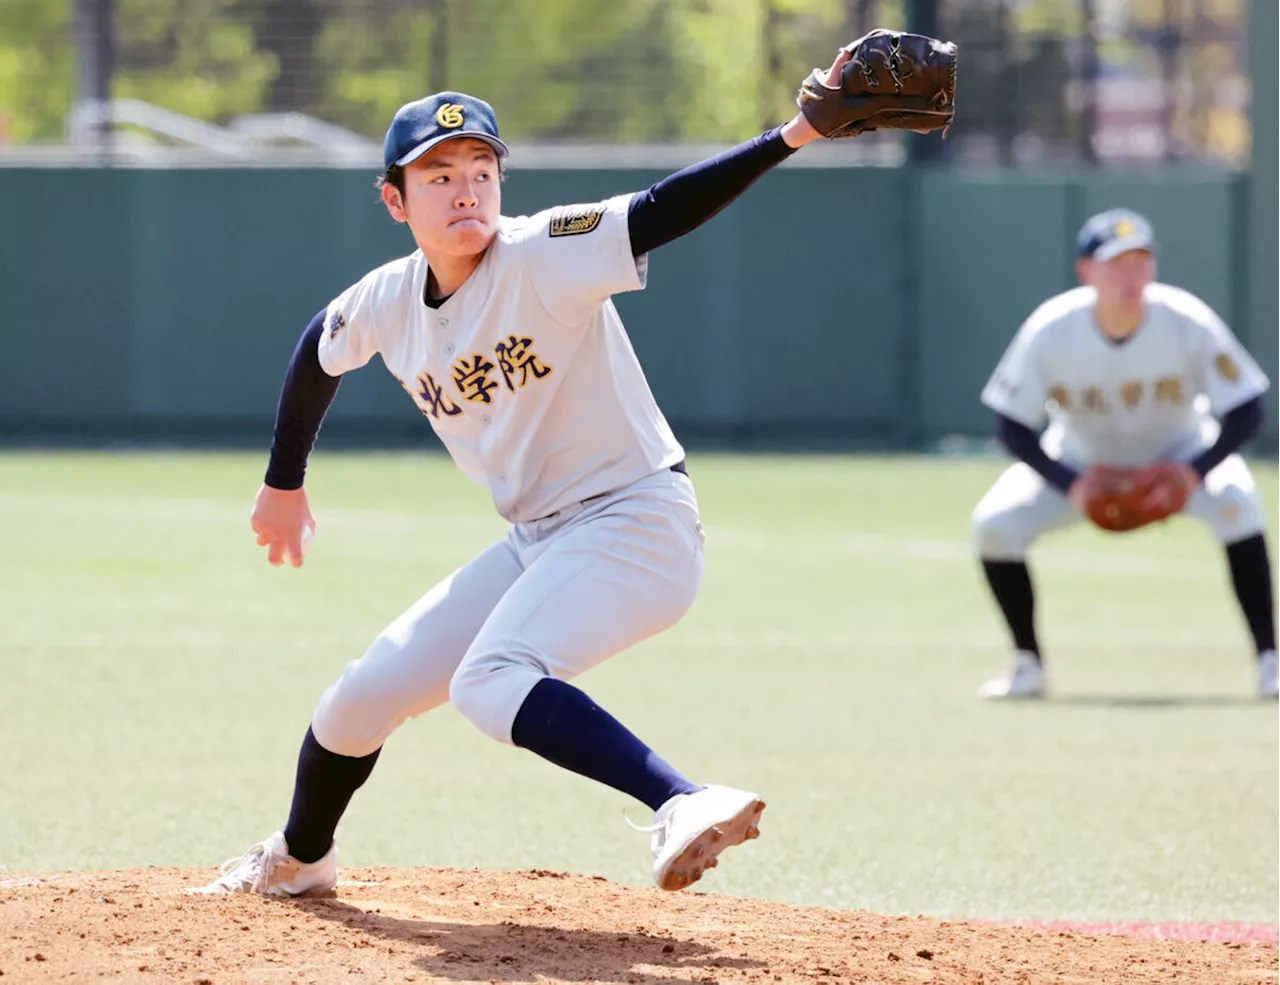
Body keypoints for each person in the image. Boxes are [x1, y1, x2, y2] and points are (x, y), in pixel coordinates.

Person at [195, 49, 874, 896]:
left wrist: (798, 132)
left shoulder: (544, 252)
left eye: (482, 167)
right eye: (438, 175)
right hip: (540, 538)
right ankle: (300, 859)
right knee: (357, 700)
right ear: (394, 200)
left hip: (637, 520)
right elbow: (317, 351)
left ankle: (683, 799)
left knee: (490, 679)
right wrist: (283, 482)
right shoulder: (388, 298)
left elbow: (663, 210)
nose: (466, 188)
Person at [972, 209, 1277, 700]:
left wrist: (1192, 472)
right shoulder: (1053, 329)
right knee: (994, 525)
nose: (1130, 277)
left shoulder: (1185, 319)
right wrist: (1069, 481)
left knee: (1240, 504)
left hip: (1179, 452)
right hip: (1080, 459)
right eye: (1115, 265)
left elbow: (1247, 408)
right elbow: (1010, 424)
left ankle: (1270, 660)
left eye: (1141, 262)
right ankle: (1028, 664)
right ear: (1086, 271)